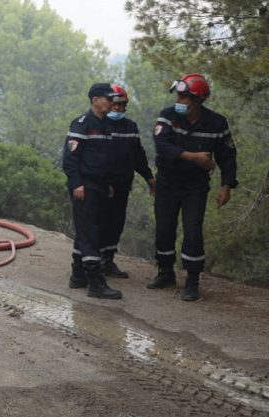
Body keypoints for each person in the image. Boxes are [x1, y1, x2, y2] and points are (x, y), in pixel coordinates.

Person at [147, 73, 238, 301]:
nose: (179, 101)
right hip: (167, 184)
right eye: (178, 96)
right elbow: (162, 146)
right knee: (165, 229)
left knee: (193, 231)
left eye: (184, 97)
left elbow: (227, 156)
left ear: (199, 100)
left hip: (195, 188)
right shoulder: (167, 117)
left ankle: (192, 281)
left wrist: (226, 186)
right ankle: (165, 272)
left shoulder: (217, 123)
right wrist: (194, 157)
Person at [62, 83, 123, 299]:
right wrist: (76, 183)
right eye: (107, 98)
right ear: (95, 100)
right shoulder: (82, 124)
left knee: (87, 231)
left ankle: (78, 275)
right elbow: (70, 159)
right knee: (90, 234)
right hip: (84, 186)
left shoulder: (106, 125)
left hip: (99, 186)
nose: (111, 102)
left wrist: (107, 184)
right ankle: (95, 284)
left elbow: (104, 160)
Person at [101, 84, 155, 278]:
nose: (117, 108)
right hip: (101, 186)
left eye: (121, 105)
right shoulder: (99, 125)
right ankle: (92, 263)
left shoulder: (131, 127)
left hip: (122, 185)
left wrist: (149, 177)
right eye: (114, 104)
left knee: (116, 223)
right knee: (99, 223)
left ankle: (108, 261)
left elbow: (138, 156)